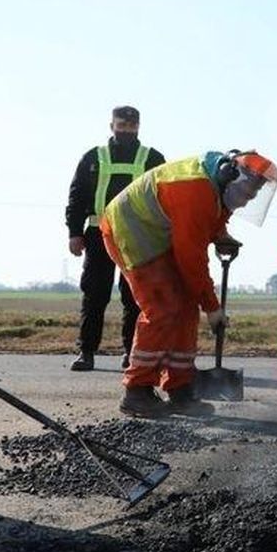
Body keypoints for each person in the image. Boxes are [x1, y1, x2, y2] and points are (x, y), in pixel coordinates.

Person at [100, 149, 277, 417]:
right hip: (132, 230)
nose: (246, 201)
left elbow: (214, 215)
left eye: (252, 196)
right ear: (232, 177)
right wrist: (212, 307)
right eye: (245, 193)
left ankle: (180, 388)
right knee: (163, 308)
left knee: (185, 308)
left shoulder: (216, 184)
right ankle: (137, 391)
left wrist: (220, 234)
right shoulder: (195, 191)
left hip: (159, 232)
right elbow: (191, 258)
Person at [64, 106, 165, 371]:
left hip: (139, 235)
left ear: (139, 127)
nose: (127, 130)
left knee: (135, 296)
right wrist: (74, 232)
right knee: (94, 294)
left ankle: (132, 352)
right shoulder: (93, 157)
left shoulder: (153, 158)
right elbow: (77, 195)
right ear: (112, 126)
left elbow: (164, 198)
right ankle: (86, 351)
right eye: (122, 126)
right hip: (99, 233)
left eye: (132, 127)